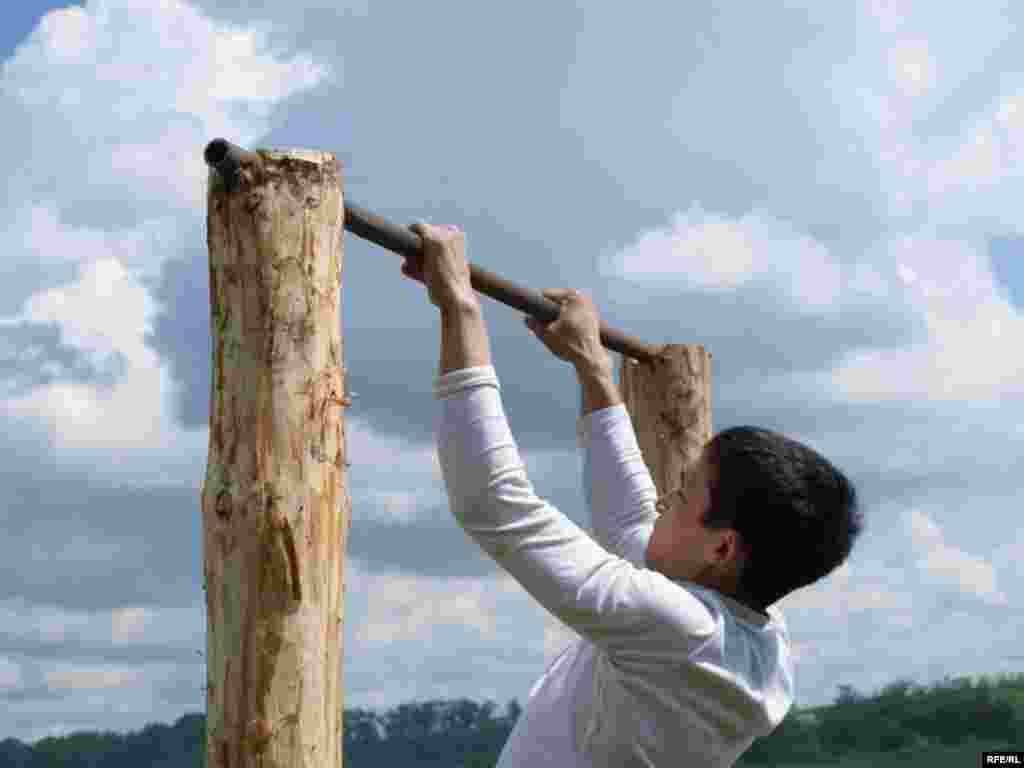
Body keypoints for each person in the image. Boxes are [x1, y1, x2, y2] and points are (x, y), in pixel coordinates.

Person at [400, 221, 865, 767]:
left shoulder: (677, 629)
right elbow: (631, 528)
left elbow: (494, 502)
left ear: (722, 547)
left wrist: (459, 306)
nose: (664, 503)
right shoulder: (758, 640)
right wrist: (593, 367)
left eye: (683, 495)